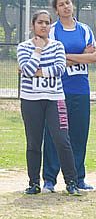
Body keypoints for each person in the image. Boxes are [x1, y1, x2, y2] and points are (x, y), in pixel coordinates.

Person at [18, 10, 81, 196]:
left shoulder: (57, 46)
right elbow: (27, 69)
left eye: (47, 22)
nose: (43, 26)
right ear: (33, 25)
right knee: (34, 142)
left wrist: (38, 71)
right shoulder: (23, 47)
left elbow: (60, 69)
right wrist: (37, 51)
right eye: (40, 22)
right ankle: (34, 183)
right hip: (31, 100)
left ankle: (71, 182)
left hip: (55, 99)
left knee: (62, 140)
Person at [42, 0, 96, 192]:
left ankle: (78, 178)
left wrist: (68, 56)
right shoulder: (53, 31)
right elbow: (54, 58)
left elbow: (94, 57)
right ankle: (49, 178)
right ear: (56, 9)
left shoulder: (84, 29)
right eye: (61, 4)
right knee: (54, 135)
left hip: (81, 90)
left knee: (79, 134)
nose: (66, 6)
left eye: (68, 2)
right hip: (58, 90)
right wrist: (80, 55)